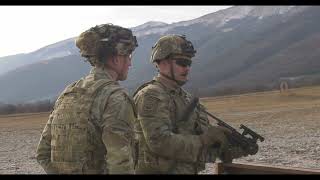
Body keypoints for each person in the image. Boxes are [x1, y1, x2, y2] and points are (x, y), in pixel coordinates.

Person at [133, 34, 246, 174]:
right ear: (163, 63)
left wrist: (221, 148)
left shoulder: (185, 98)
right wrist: (205, 140)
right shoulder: (151, 95)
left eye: (189, 64)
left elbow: (193, 141)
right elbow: (159, 142)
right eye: (181, 63)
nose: (187, 69)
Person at [35, 24, 139, 174]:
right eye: (128, 56)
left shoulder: (69, 93)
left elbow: (43, 154)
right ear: (116, 58)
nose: (130, 63)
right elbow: (120, 164)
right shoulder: (115, 98)